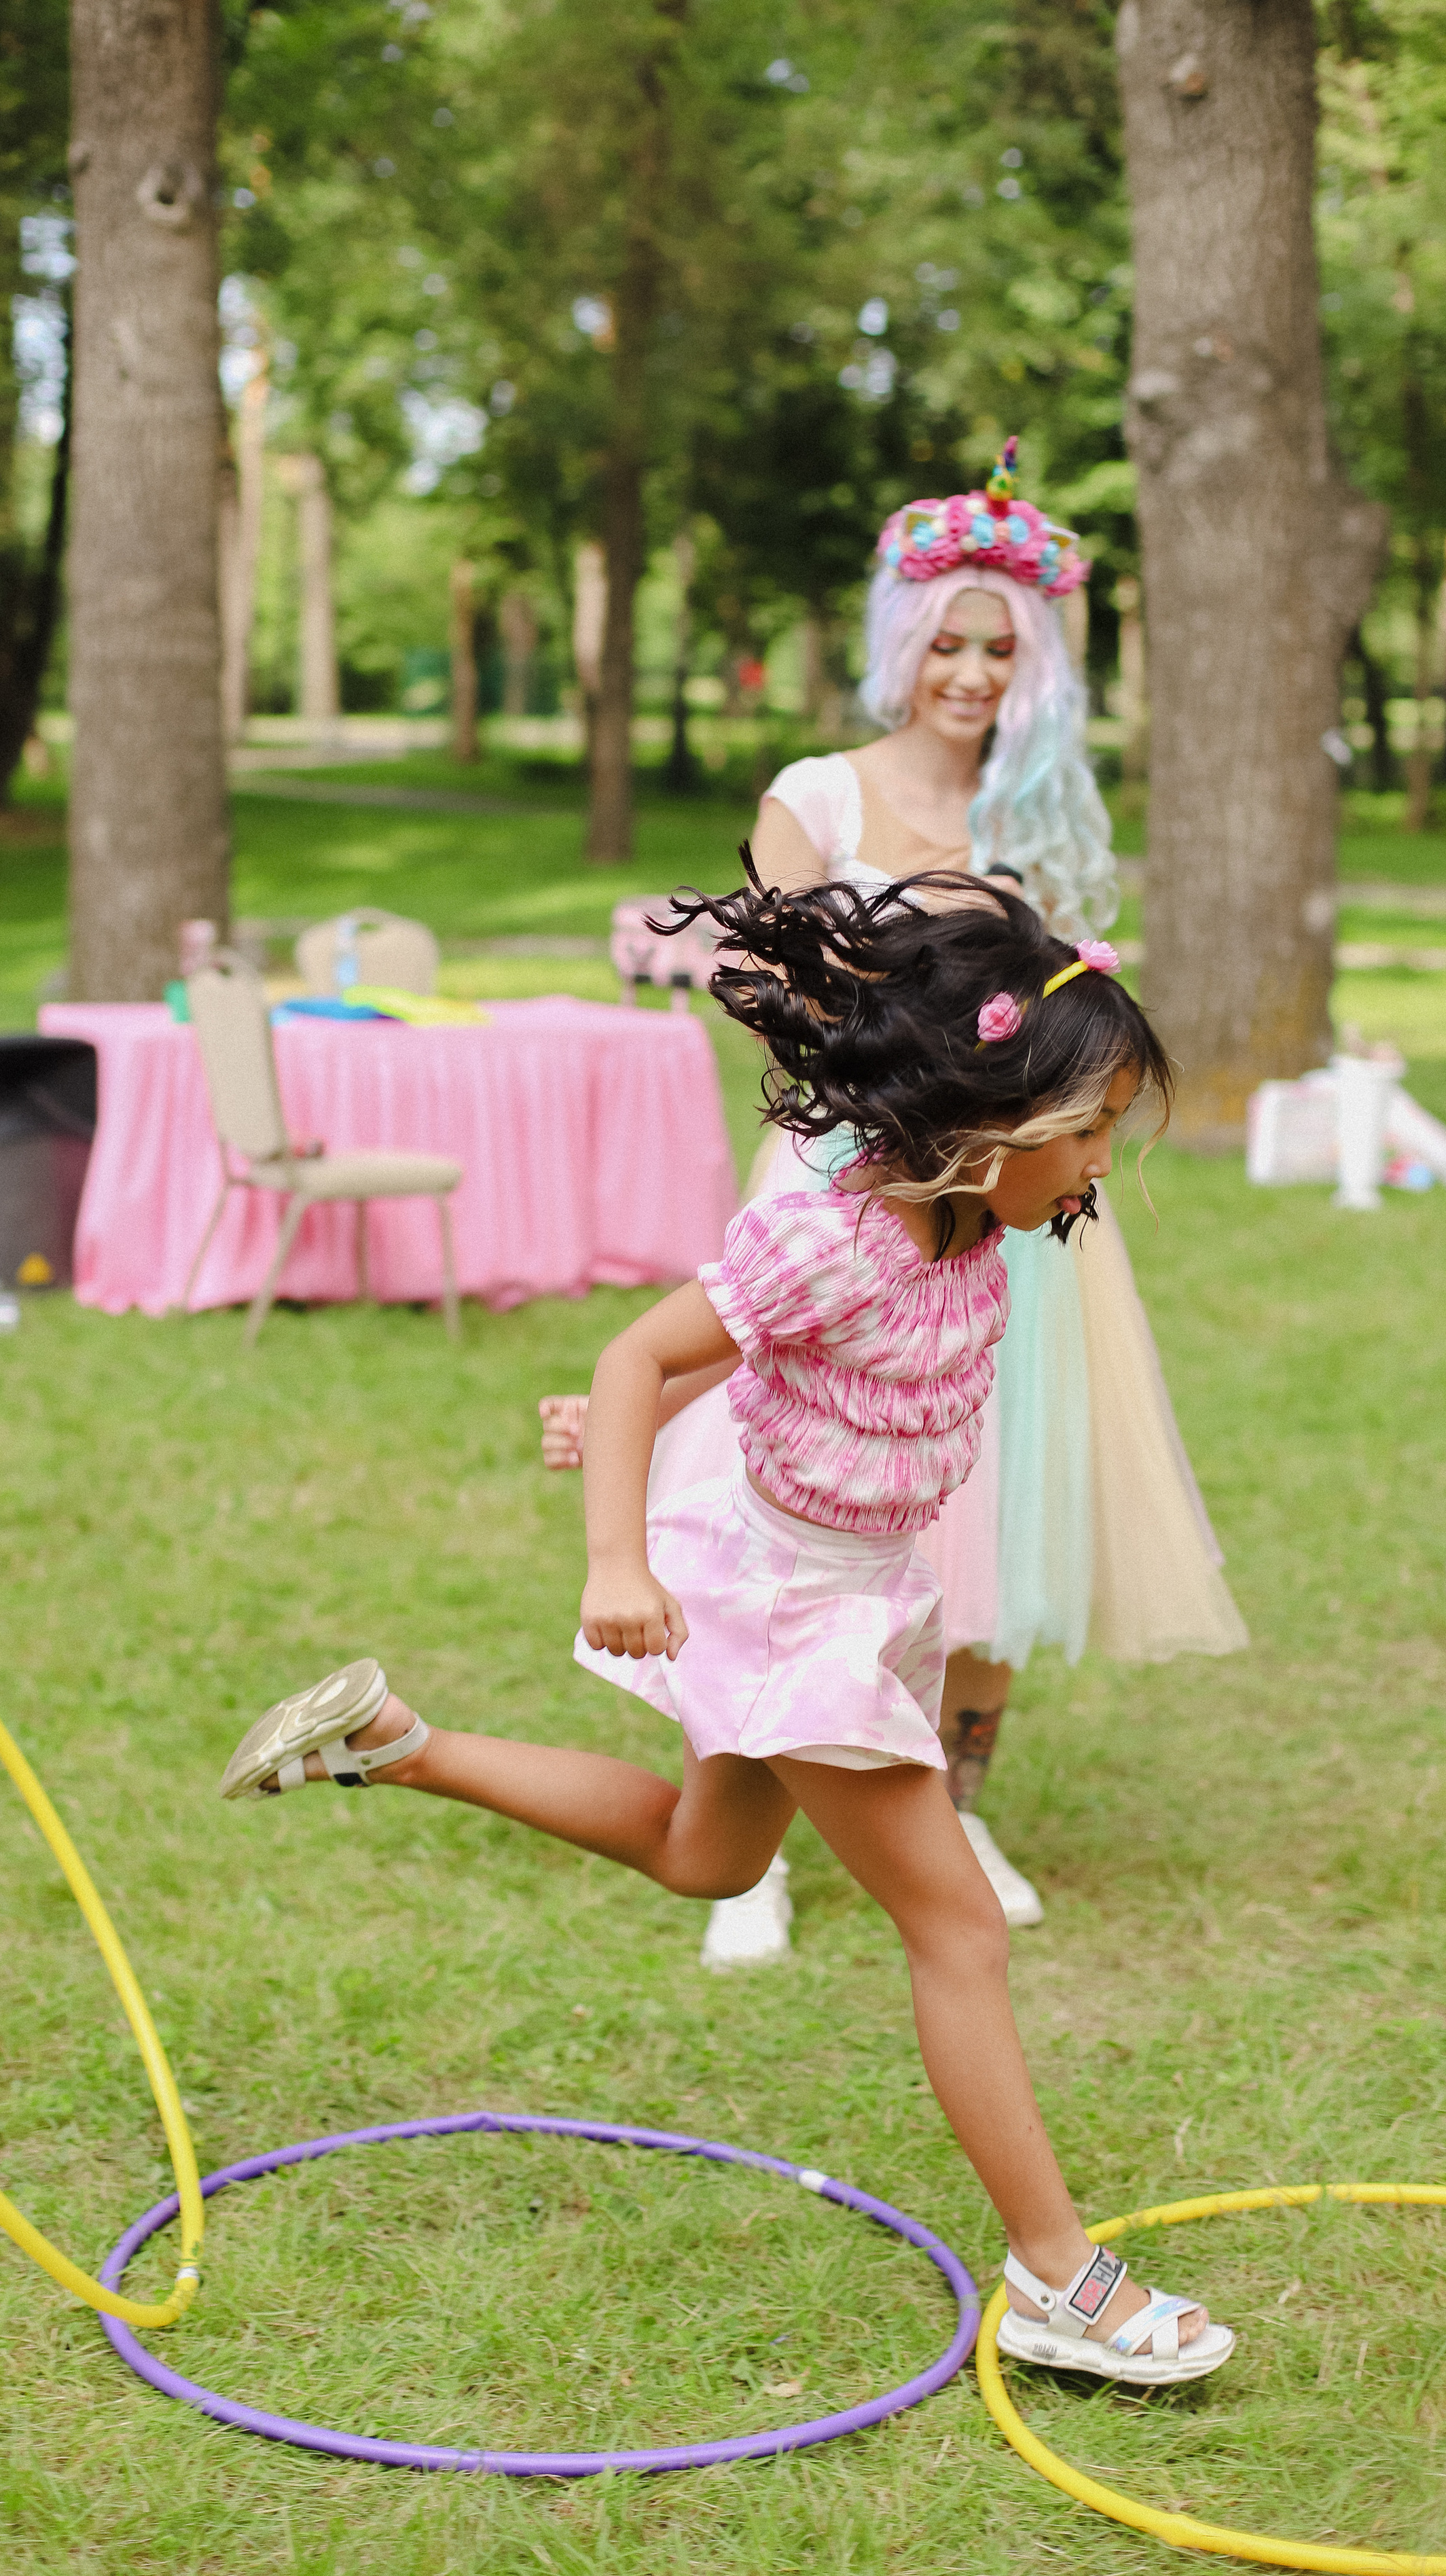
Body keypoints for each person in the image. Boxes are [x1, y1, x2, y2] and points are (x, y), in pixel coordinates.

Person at [219, 876, 1235, 2389]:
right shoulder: (837, 1236)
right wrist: (614, 1547)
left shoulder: (969, 1228)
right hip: (788, 1606)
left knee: (712, 1861)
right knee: (953, 1926)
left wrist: (670, 1407)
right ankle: (1059, 2281)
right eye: (1086, 1130)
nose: (1098, 1164)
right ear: (994, 1119)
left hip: (855, 1586)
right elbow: (641, 1350)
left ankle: (396, 1745)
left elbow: (767, 1372)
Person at [543, 441, 1244, 1963]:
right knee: (783, 1468)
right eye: (949, 640)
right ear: (899, 643)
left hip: (1010, 1199)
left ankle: (948, 1788)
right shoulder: (822, 794)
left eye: (1004, 645)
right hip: (850, 1178)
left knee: (987, 1489)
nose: (973, 671)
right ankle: (753, 1817)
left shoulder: (1043, 809)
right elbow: (757, 975)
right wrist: (888, 1009)